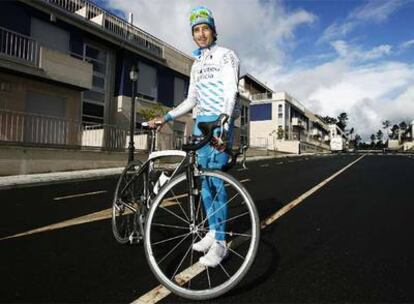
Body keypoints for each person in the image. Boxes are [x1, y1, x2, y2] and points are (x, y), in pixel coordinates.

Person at [148, 6, 240, 268]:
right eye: (196, 30)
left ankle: (221, 243)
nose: (201, 34)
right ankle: (212, 230)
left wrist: (223, 120)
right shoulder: (196, 64)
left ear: (213, 30)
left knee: (216, 180)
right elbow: (191, 99)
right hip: (200, 123)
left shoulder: (227, 56)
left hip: (218, 123)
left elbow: (231, 90)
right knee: (203, 184)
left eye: (205, 28)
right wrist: (165, 117)